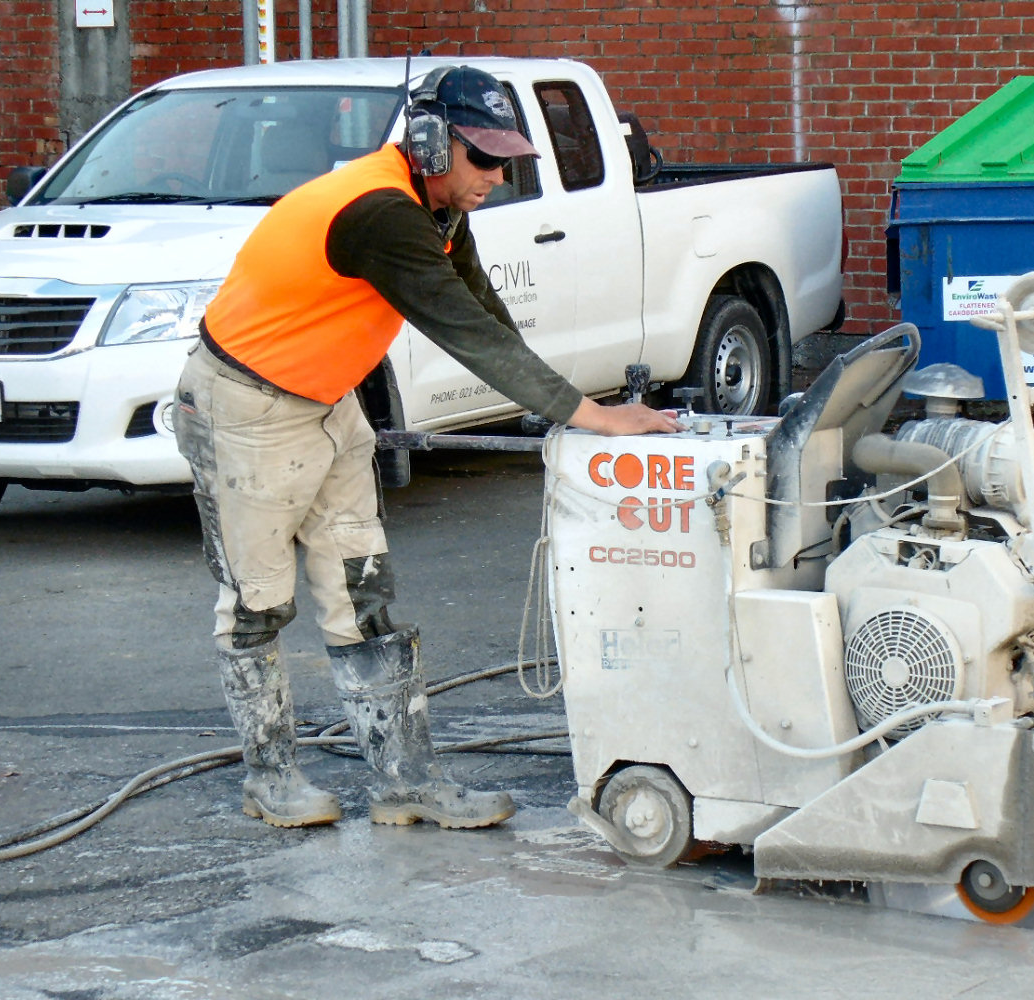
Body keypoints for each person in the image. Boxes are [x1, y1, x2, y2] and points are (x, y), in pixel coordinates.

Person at [174, 65, 680, 831]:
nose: (497, 176)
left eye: (506, 160)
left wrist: (581, 407)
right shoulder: (381, 211)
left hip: (326, 403)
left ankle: (406, 783)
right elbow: (460, 329)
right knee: (258, 604)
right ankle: (269, 776)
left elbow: (485, 310)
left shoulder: (439, 206)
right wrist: (588, 418)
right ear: (430, 142)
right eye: (483, 158)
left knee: (361, 593)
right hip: (244, 408)